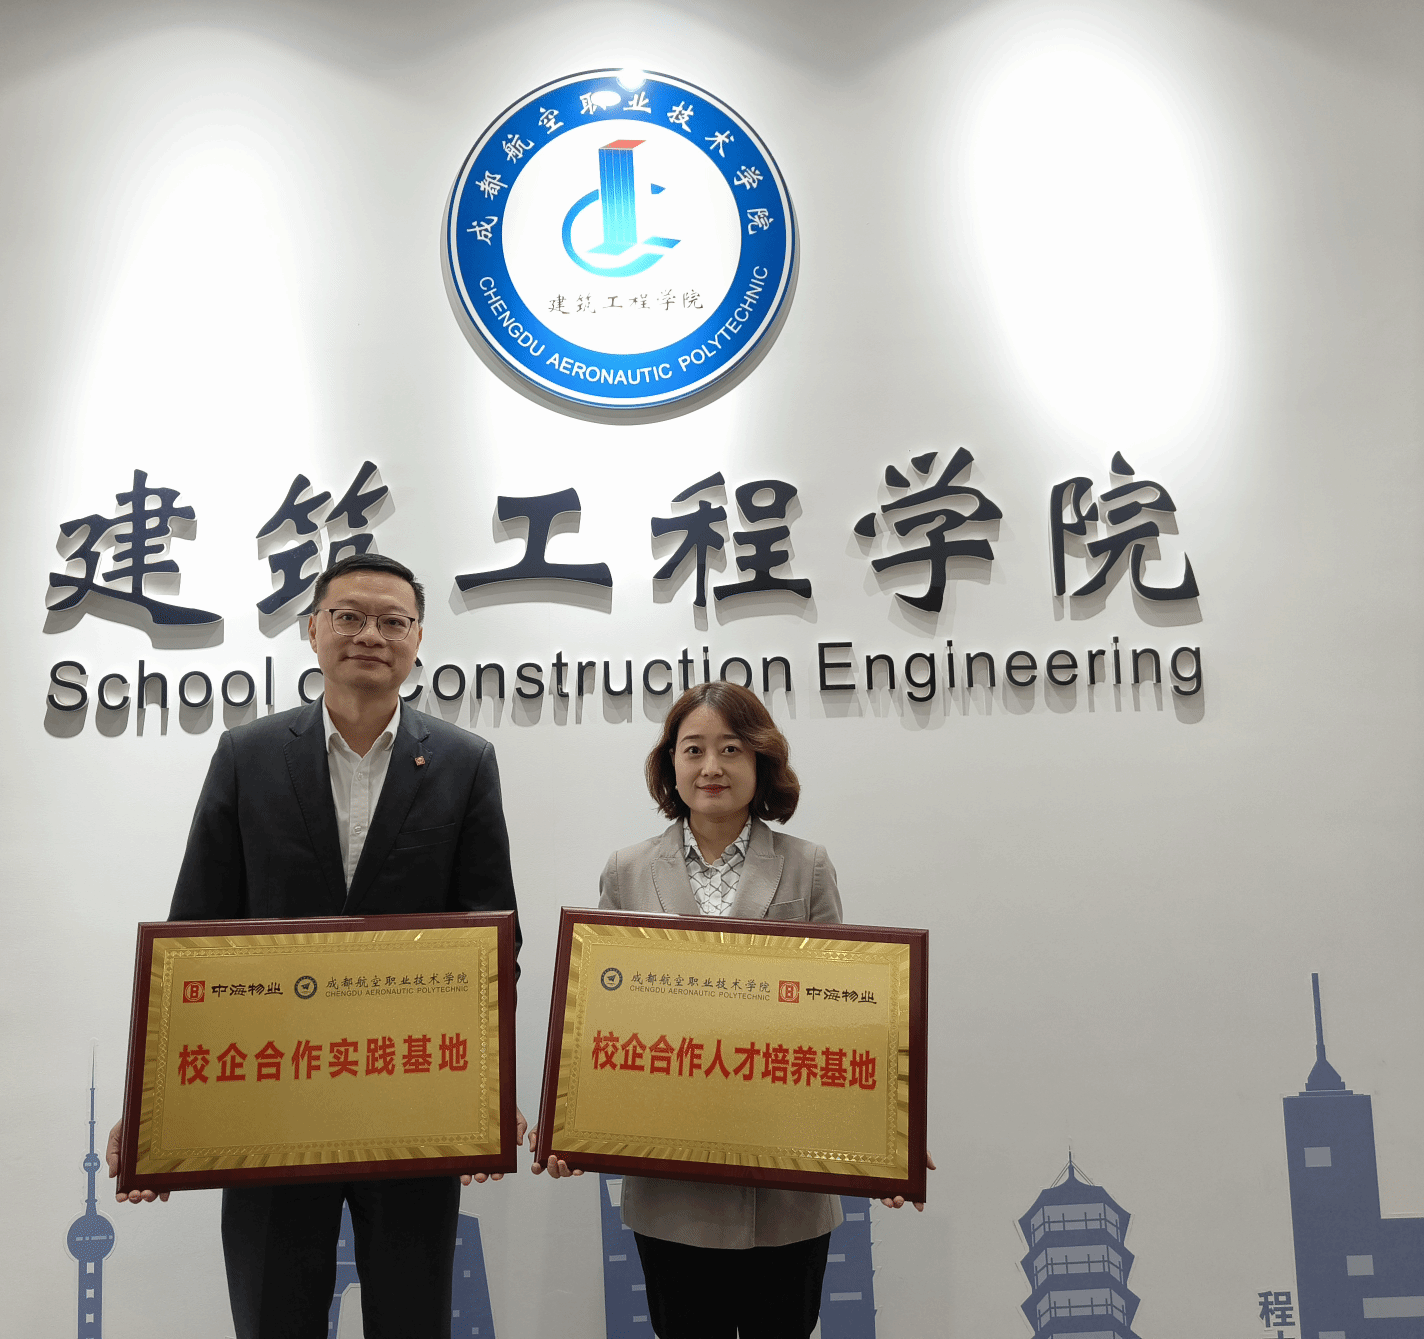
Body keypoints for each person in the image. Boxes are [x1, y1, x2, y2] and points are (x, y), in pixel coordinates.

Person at [105, 551, 524, 1339]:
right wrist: (153, 1105)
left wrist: (484, 1096)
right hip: (272, 1094)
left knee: (412, 1316)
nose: (371, 635)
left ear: (418, 638)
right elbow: (195, 935)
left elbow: (491, 943)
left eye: (393, 621)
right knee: (274, 1315)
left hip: (409, 1093)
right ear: (312, 630)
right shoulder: (248, 756)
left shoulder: (465, 763)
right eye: (349, 617)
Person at [533, 682, 930, 1339]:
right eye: (693, 749)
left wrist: (887, 1134)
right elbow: (603, 1015)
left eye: (731, 749)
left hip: (787, 1188)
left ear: (760, 761)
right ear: (671, 764)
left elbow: (844, 1013)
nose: (711, 766)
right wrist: (569, 1127)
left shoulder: (807, 865)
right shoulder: (627, 869)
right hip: (672, 1193)